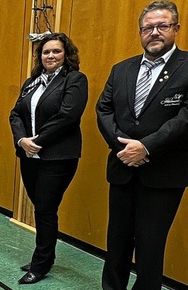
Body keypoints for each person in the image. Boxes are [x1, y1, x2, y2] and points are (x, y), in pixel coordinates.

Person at [96, 1, 188, 289]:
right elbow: (104, 110)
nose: (154, 32)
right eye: (148, 27)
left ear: (176, 28)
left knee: (150, 245)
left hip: (163, 173)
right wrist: (124, 148)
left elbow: (186, 116)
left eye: (162, 26)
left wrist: (146, 147)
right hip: (123, 168)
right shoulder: (121, 69)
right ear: (140, 32)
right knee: (117, 242)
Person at [9, 33, 88, 284]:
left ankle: (41, 263)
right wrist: (22, 140)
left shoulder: (75, 80)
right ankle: (44, 256)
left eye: (56, 51)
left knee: (45, 208)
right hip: (29, 155)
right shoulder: (32, 81)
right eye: (45, 52)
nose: (50, 56)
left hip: (57, 157)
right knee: (40, 206)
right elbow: (15, 114)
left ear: (66, 54)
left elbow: (67, 116)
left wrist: (37, 141)